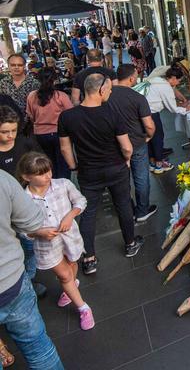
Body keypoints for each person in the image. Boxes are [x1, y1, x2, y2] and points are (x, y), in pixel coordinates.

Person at [58, 73, 143, 275]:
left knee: (88, 212)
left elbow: (64, 148)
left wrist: (73, 167)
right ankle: (130, 244)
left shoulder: (68, 116)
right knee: (123, 205)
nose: (111, 92)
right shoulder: (113, 113)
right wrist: (127, 159)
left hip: (88, 172)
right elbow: (126, 146)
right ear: (101, 90)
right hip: (116, 168)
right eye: (110, 89)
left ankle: (89, 257)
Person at [18, 152, 95, 330]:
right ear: (26, 177)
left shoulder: (63, 184)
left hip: (70, 238)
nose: (48, 176)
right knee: (64, 275)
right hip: (46, 245)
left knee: (72, 264)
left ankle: (70, 288)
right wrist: (39, 233)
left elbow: (81, 201)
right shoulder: (23, 199)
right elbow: (21, 229)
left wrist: (70, 215)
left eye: (49, 171)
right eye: (41, 173)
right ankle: (83, 308)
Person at [0, 170, 64, 369]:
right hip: (9, 281)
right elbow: (32, 221)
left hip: (11, 281)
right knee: (39, 351)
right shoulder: (2, 179)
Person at [0, 106, 47, 299]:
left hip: (26, 206)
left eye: (13, 130)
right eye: (4, 132)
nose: (10, 135)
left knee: (29, 247)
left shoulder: (25, 143)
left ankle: (28, 279)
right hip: (5, 212)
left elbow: (41, 162)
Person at [108, 64, 157, 222]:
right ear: (131, 78)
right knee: (141, 177)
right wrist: (149, 136)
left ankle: (127, 210)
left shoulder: (105, 95)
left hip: (114, 145)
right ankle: (142, 210)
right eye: (136, 76)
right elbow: (149, 125)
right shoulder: (137, 97)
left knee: (120, 180)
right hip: (136, 142)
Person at [26, 68, 73, 179]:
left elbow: (31, 116)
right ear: (54, 80)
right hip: (59, 133)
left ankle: (51, 184)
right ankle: (63, 186)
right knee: (63, 162)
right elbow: (70, 115)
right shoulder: (61, 96)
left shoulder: (31, 96)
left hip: (40, 134)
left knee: (48, 163)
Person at [146, 66, 190, 174]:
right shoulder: (166, 86)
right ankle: (159, 165)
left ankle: (152, 163)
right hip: (151, 113)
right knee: (158, 137)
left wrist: (181, 103)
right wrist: (186, 108)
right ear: (173, 78)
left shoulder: (157, 80)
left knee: (150, 138)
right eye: (179, 81)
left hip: (142, 112)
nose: (178, 84)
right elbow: (173, 109)